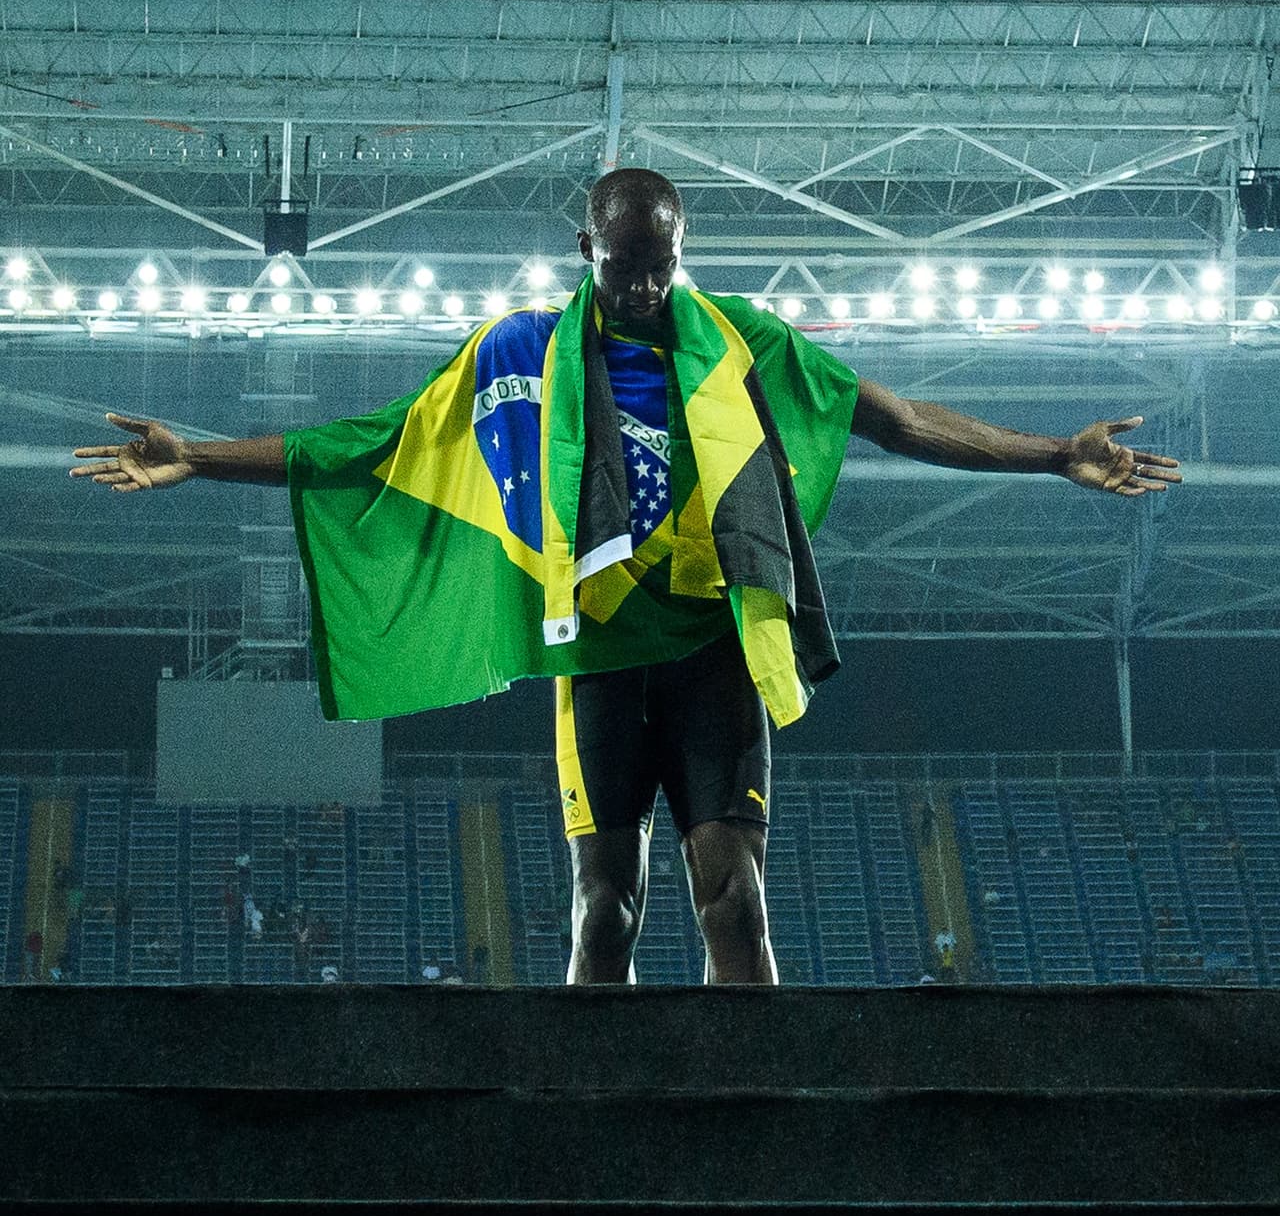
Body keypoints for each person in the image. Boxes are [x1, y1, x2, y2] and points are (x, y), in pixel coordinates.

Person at [71, 168, 1180, 987]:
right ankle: (589, 1139)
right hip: (595, 666)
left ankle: (752, 1136)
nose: (645, 287)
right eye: (623, 266)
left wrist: (1051, 453)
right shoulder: (514, 353)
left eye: (662, 265)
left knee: (731, 900)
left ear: (679, 250)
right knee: (603, 913)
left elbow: (890, 416)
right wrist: (201, 454)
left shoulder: (737, 341)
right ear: (583, 249)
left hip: (709, 654)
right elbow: (374, 441)